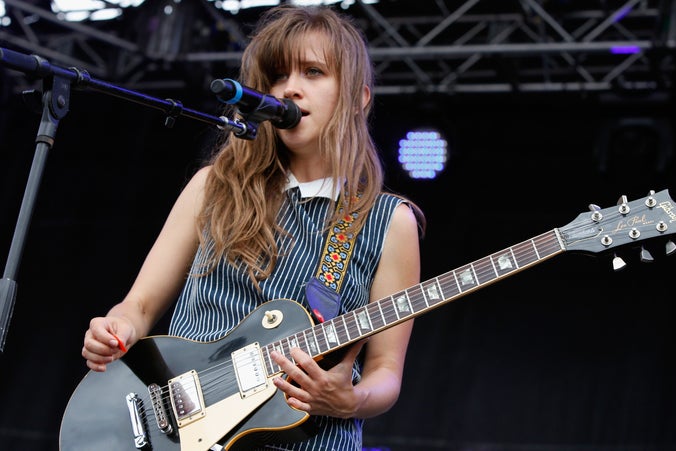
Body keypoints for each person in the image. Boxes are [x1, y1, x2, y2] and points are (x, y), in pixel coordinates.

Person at [80, 4, 425, 451]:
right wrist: (115, 329)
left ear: (358, 98)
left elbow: (386, 373)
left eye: (314, 72)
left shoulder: (389, 221)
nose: (290, 90)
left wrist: (350, 399)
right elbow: (138, 307)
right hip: (184, 431)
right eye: (278, 76)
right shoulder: (213, 187)